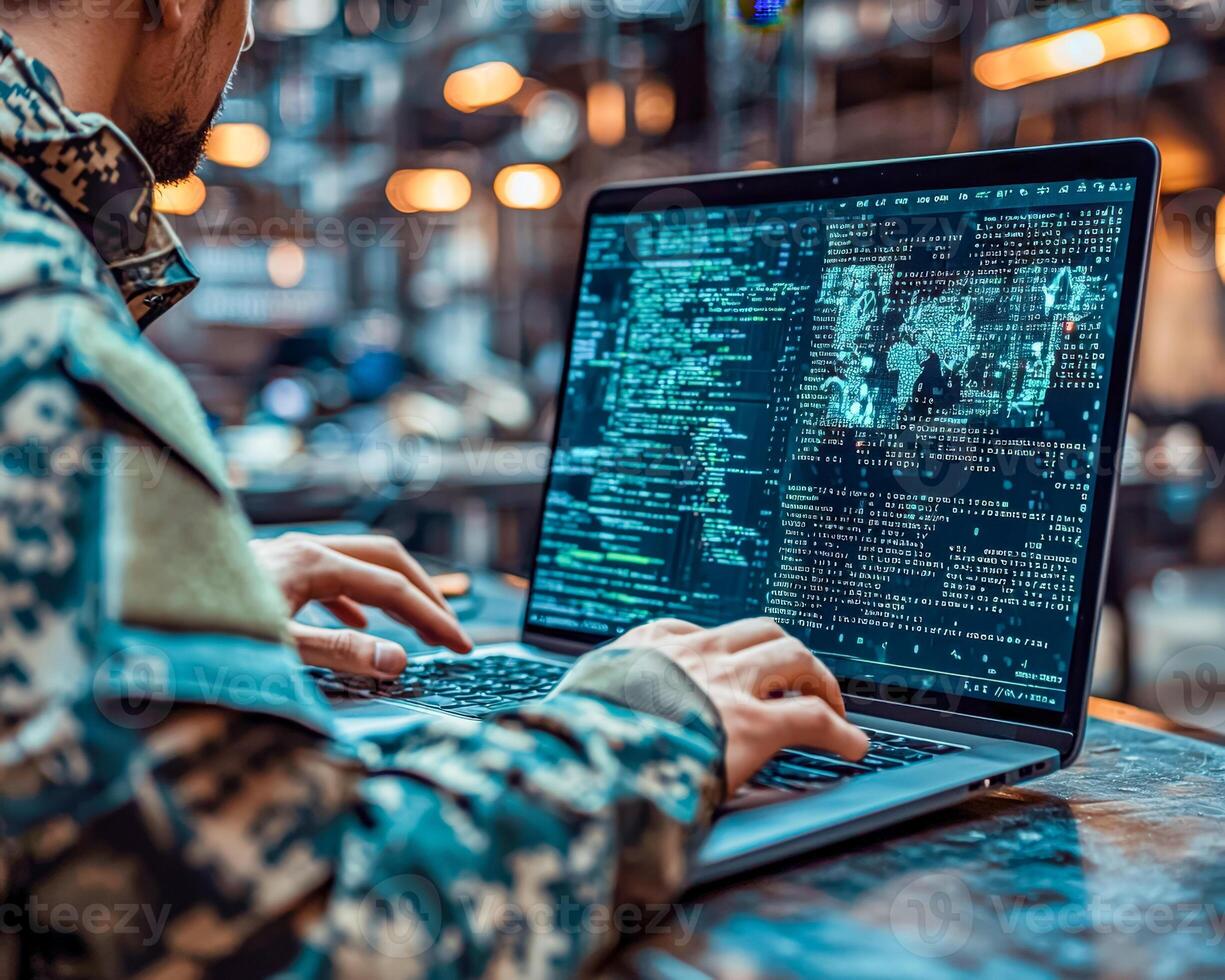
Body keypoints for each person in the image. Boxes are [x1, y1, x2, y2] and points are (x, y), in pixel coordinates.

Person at [0, 2, 866, 975]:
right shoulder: (35, 310)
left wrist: (131, 610)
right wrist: (647, 722)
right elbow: (314, 935)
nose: (243, 37)